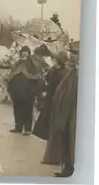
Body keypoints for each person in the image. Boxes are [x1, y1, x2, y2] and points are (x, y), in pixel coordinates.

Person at [32, 50, 69, 165]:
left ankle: (52, 158)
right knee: (50, 130)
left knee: (54, 131)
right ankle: (51, 157)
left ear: (59, 61)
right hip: (50, 103)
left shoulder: (62, 73)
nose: (53, 60)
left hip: (55, 104)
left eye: (55, 59)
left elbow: (53, 86)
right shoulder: (55, 70)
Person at [50, 41, 79, 177]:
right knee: (66, 138)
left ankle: (72, 168)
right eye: (72, 53)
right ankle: (67, 167)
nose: (72, 56)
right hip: (65, 112)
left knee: (73, 139)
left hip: (74, 112)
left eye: (75, 54)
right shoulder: (73, 71)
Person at [7, 46, 46, 135]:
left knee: (28, 110)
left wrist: (35, 91)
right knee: (17, 110)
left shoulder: (33, 63)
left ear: (29, 53)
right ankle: (18, 127)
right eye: (23, 52)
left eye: (26, 52)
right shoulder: (18, 62)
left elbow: (37, 76)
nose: (24, 53)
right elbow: (12, 73)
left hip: (28, 92)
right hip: (17, 92)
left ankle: (28, 129)